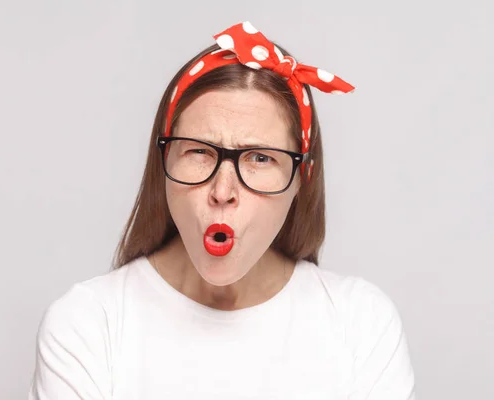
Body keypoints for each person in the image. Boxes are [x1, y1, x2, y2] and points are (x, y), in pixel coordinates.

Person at [28, 21, 416, 399]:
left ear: (303, 177)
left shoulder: (361, 324)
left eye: (260, 158)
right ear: (162, 160)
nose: (223, 191)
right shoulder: (88, 324)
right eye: (199, 151)